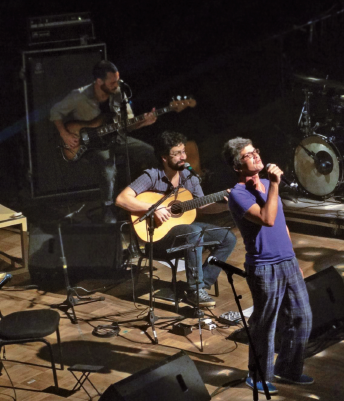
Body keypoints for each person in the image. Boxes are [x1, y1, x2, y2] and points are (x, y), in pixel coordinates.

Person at [223, 137, 313, 395]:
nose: (256, 157)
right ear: (236, 166)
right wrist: (274, 184)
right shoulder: (238, 195)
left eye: (256, 151)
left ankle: (288, 369)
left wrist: (293, 259)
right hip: (264, 267)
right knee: (266, 325)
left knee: (302, 317)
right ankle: (258, 375)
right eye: (248, 155)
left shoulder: (265, 184)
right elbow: (267, 218)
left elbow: (282, 224)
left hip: (287, 262)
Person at [115, 131, 237, 307]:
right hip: (158, 237)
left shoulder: (189, 176)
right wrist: (153, 208)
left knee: (228, 238)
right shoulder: (152, 175)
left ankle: (200, 285)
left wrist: (228, 205)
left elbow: (202, 205)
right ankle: (195, 290)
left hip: (183, 232)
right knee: (193, 231)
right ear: (164, 157)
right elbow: (121, 199)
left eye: (183, 152)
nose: (183, 157)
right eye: (177, 153)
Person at [50, 60, 158, 223]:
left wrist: (143, 121)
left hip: (117, 138)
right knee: (109, 168)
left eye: (117, 80)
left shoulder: (119, 93)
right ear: (99, 82)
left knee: (149, 151)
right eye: (112, 82)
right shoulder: (79, 95)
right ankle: (108, 208)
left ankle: (146, 196)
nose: (116, 84)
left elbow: (128, 123)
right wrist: (64, 134)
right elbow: (55, 111)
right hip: (92, 144)